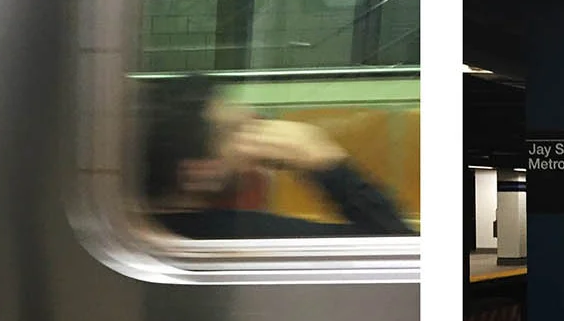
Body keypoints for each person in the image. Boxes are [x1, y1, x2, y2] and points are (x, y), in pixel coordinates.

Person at [142, 74, 414, 238]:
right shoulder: (245, 236)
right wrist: (328, 165)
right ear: (198, 173)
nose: (259, 136)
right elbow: (405, 259)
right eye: (238, 132)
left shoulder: (133, 226)